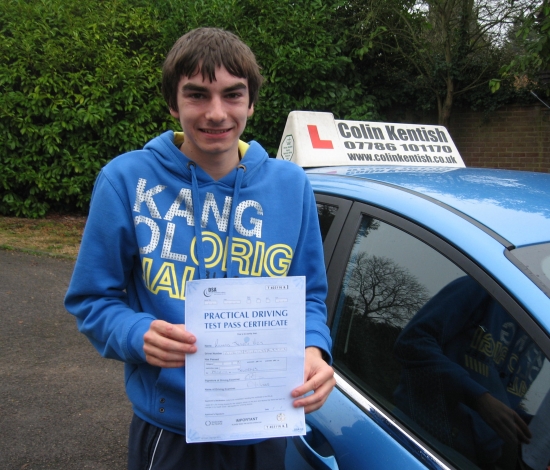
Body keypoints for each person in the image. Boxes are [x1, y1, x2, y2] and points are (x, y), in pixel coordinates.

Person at [64, 27, 335, 470]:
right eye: (197, 95)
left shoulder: (291, 185)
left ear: (251, 103)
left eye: (232, 95)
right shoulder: (126, 181)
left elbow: (309, 297)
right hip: (172, 431)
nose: (216, 113)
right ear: (173, 103)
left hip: (265, 422)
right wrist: (136, 333)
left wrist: (314, 350)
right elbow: (92, 299)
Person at [393, 276, 544, 470]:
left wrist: (531, 425)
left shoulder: (539, 334)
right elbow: (412, 342)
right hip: (417, 440)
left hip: (475, 461)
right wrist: (479, 398)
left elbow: (498, 400)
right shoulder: (485, 286)